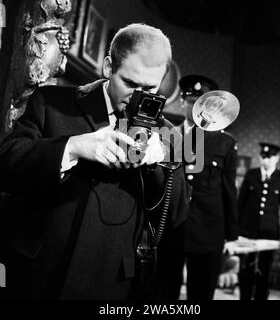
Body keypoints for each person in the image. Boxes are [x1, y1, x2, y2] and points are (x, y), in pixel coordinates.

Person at [0, 23, 189, 300]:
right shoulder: (52, 102)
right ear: (109, 67)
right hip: (40, 269)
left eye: (150, 87)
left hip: (111, 281)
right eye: (130, 83)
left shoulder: (169, 135)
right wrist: (72, 147)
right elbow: (7, 162)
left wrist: (157, 163)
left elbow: (176, 216)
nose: (138, 96)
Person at [155, 75, 239, 301]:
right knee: (163, 294)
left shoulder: (225, 142)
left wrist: (231, 237)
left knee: (201, 294)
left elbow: (229, 191)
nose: (195, 107)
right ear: (183, 101)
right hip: (170, 230)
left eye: (201, 102)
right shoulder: (166, 134)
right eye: (191, 101)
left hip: (207, 233)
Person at [238, 142, 280, 300]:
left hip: (270, 234)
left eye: (269, 157)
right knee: (246, 270)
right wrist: (234, 230)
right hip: (247, 232)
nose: (265, 160)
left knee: (264, 272)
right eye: (263, 156)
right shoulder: (251, 174)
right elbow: (239, 203)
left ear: (276, 158)